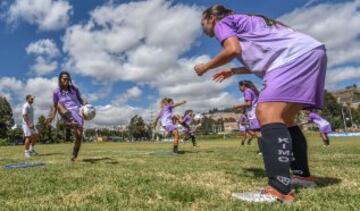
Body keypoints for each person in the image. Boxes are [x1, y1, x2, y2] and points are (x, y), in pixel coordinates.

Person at [194, 4, 326, 203]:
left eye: (203, 23)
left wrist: (205, 67)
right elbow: (265, 55)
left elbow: (232, 49)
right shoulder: (251, 19)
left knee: (266, 113)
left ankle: (278, 190)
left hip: (292, 57)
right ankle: (302, 175)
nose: (204, 29)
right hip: (312, 51)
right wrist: (234, 71)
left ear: (211, 18)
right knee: (287, 119)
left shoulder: (222, 22)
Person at [46, 71, 85, 161]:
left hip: (78, 112)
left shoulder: (75, 89)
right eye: (64, 78)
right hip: (66, 113)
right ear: (60, 80)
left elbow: (80, 100)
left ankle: (74, 156)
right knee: (58, 103)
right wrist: (52, 117)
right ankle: (70, 122)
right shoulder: (56, 92)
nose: (66, 80)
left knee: (79, 136)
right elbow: (55, 106)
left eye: (68, 78)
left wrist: (85, 107)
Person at [233, 80, 262, 152]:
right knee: (258, 131)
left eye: (239, 87)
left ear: (243, 86)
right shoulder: (252, 91)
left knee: (257, 132)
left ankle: (263, 150)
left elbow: (248, 104)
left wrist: (237, 106)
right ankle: (264, 149)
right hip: (257, 112)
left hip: (253, 114)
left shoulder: (247, 91)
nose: (239, 89)